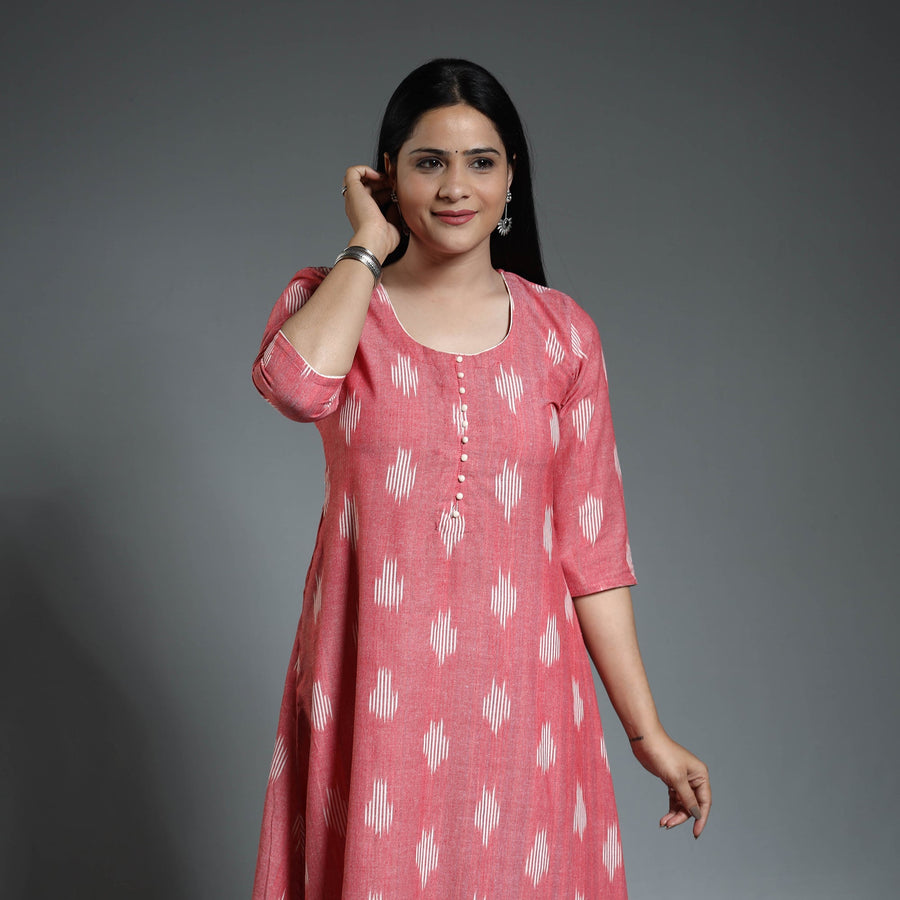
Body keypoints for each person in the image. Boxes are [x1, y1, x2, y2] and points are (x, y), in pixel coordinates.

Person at [250, 58, 710, 899]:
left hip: (526, 710)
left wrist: (647, 734)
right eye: (429, 162)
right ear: (387, 177)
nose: (456, 186)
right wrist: (365, 244)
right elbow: (294, 388)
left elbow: (593, 555)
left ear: (511, 180)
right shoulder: (335, 302)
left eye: (481, 162)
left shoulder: (563, 334)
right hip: (374, 700)